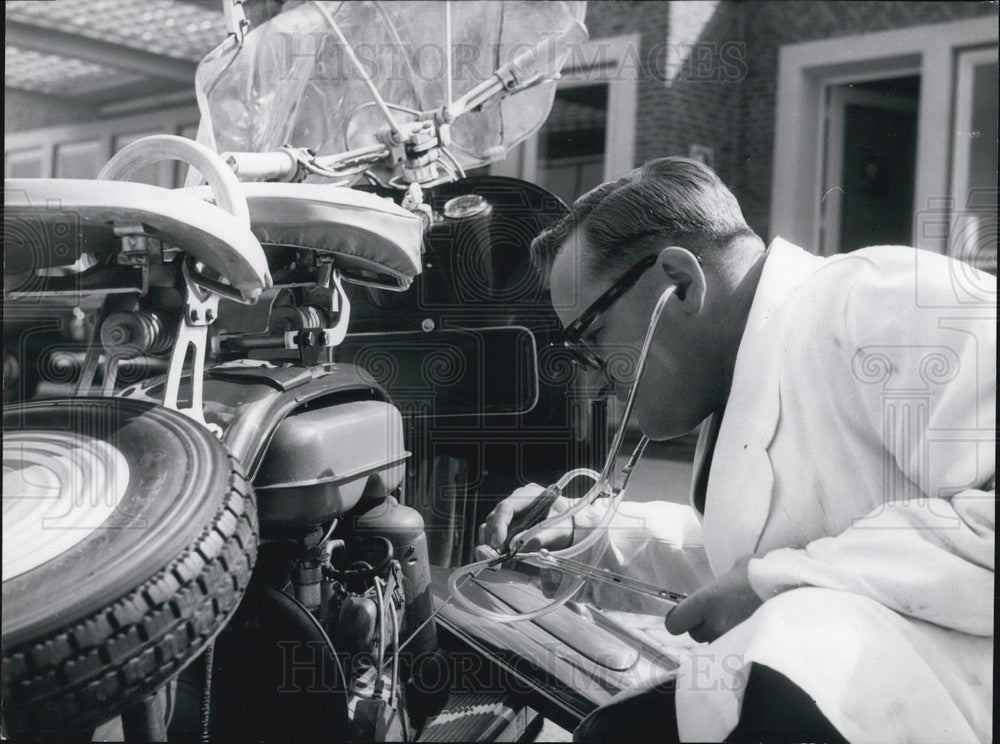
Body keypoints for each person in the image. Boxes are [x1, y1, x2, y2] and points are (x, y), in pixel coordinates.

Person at [479, 157, 995, 743]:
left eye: (592, 337)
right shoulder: (749, 373)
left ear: (680, 283)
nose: (593, 380)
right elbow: (763, 557)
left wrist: (775, 582)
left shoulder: (883, 299)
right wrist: (591, 540)